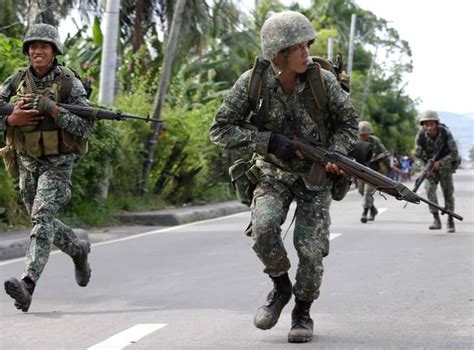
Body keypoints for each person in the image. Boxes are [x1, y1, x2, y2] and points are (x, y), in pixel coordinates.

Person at [209, 11, 359, 343]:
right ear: (279, 53)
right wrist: (267, 141)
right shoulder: (253, 83)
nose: (307, 52)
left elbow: (349, 125)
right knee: (263, 230)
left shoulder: (323, 82)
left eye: (308, 45)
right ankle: (280, 288)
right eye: (299, 47)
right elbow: (220, 130)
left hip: (314, 177)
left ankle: (302, 312)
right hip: (272, 172)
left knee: (310, 249)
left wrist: (335, 154)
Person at [0, 23, 93, 312]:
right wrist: (9, 121)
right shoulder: (14, 81)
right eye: (33, 46)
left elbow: (85, 127)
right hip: (26, 163)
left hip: (58, 165)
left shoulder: (69, 83)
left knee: (42, 217)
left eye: (44, 46)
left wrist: (53, 109)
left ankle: (27, 286)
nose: (37, 51)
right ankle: (78, 251)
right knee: (43, 223)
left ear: (54, 51)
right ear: (27, 51)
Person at [415, 110, 459, 233]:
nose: (429, 127)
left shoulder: (445, 133)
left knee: (448, 192)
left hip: (445, 165)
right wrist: (424, 168)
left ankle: (450, 220)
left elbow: (454, 154)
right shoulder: (421, 135)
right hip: (429, 167)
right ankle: (436, 218)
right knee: (429, 190)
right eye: (426, 124)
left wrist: (440, 163)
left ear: (436, 124)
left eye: (431, 124)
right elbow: (417, 156)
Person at [357, 121, 391, 223]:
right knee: (361, 191)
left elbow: (385, 152)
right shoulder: (355, 142)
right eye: (361, 134)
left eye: (365, 134)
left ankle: (365, 213)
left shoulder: (375, 141)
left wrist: (379, 159)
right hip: (359, 170)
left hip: (373, 171)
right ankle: (373, 210)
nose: (363, 136)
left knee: (368, 192)